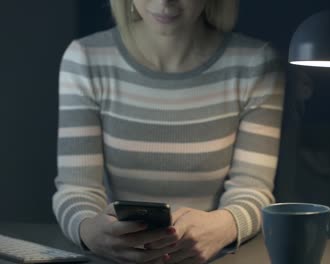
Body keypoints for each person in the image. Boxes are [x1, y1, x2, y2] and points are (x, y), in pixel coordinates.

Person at [52, 0, 285, 263]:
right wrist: (90, 230)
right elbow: (76, 188)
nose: (164, 2)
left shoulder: (255, 64)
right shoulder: (86, 58)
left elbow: (253, 190)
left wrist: (224, 227)